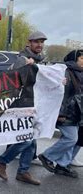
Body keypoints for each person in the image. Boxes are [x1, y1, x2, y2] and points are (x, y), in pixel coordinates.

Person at [0, 31, 48, 185]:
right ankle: (2, 161)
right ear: (29, 42)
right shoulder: (22, 59)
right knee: (27, 140)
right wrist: (26, 66)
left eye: (42, 42)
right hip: (21, 105)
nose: (40, 45)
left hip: (34, 104)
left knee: (32, 140)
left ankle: (23, 171)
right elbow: (12, 78)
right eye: (36, 42)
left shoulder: (41, 60)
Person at [38, 49, 82, 178]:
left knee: (74, 139)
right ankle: (47, 156)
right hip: (65, 112)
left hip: (76, 112)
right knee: (71, 138)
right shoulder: (64, 72)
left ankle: (62, 165)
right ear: (74, 60)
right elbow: (55, 89)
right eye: (82, 58)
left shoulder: (80, 73)